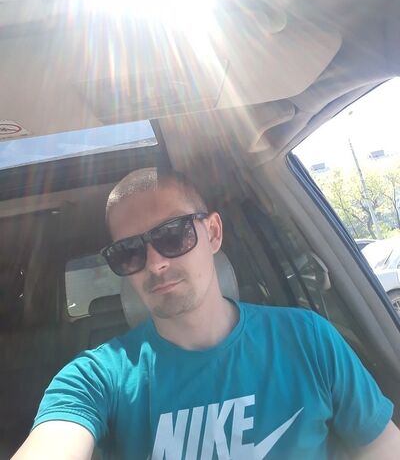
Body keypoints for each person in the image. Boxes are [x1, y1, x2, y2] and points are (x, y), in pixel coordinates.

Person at [13, 168, 400, 459]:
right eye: (128, 252)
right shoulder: (97, 377)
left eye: (172, 234)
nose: (155, 263)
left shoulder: (308, 338)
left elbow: (381, 447)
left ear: (213, 233)